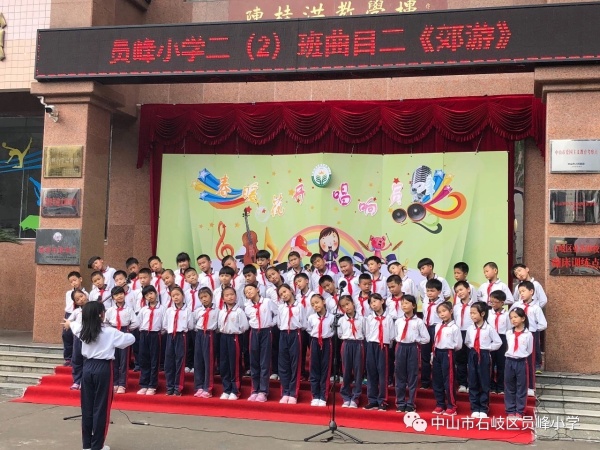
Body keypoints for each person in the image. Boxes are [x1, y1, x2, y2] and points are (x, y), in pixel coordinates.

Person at [63, 301, 135, 450]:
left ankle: (87, 445)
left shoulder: (82, 330)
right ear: (101, 315)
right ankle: (97, 446)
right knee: (101, 407)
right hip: (103, 368)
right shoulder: (110, 332)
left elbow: (74, 326)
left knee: (87, 407)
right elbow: (130, 339)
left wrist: (69, 323)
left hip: (87, 367)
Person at [465, 302, 502, 419]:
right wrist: (473, 348)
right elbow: (467, 341)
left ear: (482, 314)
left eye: (474, 313)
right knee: (472, 380)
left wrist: (487, 348)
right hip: (473, 354)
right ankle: (475, 407)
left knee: (484, 381)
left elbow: (498, 342)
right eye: (470, 313)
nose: (472, 315)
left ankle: (484, 407)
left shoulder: (489, 328)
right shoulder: (470, 328)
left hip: (484, 354)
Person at [394, 294, 429, 413]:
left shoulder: (418, 322)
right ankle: (400, 402)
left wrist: (416, 340)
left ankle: (411, 403)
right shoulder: (399, 321)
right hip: (401, 347)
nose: (404, 305)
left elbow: (426, 338)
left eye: (406, 303)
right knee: (400, 375)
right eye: (402, 303)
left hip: (413, 347)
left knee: (412, 376)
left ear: (413, 306)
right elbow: (395, 335)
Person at [511, 281, 547, 393]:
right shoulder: (516, 306)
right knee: (516, 359)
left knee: (530, 361)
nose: (521, 294)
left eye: (523, 291)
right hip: (517, 334)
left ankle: (530, 386)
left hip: (531, 334)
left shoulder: (536, 308)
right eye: (519, 292)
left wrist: (533, 330)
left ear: (531, 291)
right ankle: (516, 385)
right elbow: (510, 319)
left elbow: (543, 324)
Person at [244, 283, 278, 402]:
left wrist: (272, 323)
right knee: (254, 362)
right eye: (246, 292)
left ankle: (263, 391)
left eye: (250, 289)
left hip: (266, 332)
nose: (248, 292)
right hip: (254, 332)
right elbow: (247, 319)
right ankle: (255, 389)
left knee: (264, 361)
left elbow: (277, 313)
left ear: (257, 289)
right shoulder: (247, 306)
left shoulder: (267, 302)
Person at [104, 286, 138, 394]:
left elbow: (135, 322)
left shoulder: (129, 309)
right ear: (113, 297)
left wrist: (127, 330)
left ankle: (122, 384)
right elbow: (105, 322)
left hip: (124, 331)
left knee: (124, 360)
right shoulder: (110, 310)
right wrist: (110, 330)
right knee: (114, 358)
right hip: (113, 332)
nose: (119, 296)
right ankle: (115, 382)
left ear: (124, 294)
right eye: (116, 295)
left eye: (121, 294)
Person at [363, 293, 394, 411]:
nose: (373, 304)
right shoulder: (369, 318)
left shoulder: (389, 318)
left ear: (382, 301)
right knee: (371, 372)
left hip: (383, 346)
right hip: (372, 345)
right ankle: (372, 400)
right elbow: (367, 333)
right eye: (371, 303)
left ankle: (382, 400)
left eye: (375, 301)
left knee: (383, 373)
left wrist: (387, 345)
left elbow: (392, 335)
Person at [431, 301, 462, 416]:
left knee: (448, 380)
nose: (442, 314)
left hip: (448, 353)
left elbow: (458, 345)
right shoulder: (438, 326)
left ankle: (451, 405)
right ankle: (440, 404)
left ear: (451, 311)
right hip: (437, 352)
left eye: (444, 311)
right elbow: (435, 340)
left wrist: (449, 350)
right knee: (437, 379)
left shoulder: (454, 328)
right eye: (439, 312)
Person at [218, 286, 249, 400]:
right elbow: (219, 325)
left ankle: (235, 390)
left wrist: (236, 332)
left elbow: (244, 326)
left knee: (234, 363)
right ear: (223, 298)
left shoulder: (239, 311)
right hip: (224, 337)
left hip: (235, 337)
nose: (230, 297)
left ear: (236, 296)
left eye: (232, 294)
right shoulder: (222, 311)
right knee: (224, 363)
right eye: (227, 295)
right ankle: (226, 389)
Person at [162, 286, 194, 396]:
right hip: (170, 335)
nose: (175, 297)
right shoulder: (169, 311)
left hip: (181, 335)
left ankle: (178, 387)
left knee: (179, 361)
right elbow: (165, 324)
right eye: (173, 296)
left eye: (177, 295)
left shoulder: (187, 311)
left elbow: (190, 325)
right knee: (169, 362)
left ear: (183, 296)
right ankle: (169, 386)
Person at [277, 283, 305, 404]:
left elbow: (303, 322)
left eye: (285, 292)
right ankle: (285, 391)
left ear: (291, 290)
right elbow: (279, 322)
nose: (283, 295)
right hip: (283, 334)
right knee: (283, 364)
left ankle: (293, 393)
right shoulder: (280, 308)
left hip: (295, 334)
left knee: (295, 364)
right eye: (281, 294)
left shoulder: (300, 306)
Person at [504, 307, 533, 418]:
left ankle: (520, 411)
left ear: (523, 318)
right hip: (509, 361)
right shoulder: (508, 333)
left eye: (516, 317)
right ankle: (510, 410)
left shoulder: (528, 334)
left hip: (521, 362)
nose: (513, 320)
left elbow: (529, 350)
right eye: (511, 318)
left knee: (521, 386)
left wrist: (521, 355)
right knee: (509, 386)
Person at [137, 285, 166, 395]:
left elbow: (164, 324)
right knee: (144, 359)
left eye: (151, 293)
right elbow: (139, 322)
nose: (149, 296)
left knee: (154, 360)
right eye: (146, 295)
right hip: (144, 334)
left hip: (155, 334)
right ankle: (144, 384)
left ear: (156, 293)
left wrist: (159, 333)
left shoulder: (162, 309)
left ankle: (152, 385)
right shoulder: (143, 309)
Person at [306, 294, 334, 406]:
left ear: (324, 302)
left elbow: (334, 331)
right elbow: (309, 329)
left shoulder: (332, 317)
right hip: (315, 341)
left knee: (325, 368)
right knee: (314, 368)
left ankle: (323, 395)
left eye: (317, 302)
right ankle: (315, 395)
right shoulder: (311, 318)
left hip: (327, 342)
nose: (315, 306)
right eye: (312, 304)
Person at [338, 295, 365, 409]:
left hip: (358, 344)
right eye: (343, 306)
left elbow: (365, 332)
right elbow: (340, 334)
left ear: (353, 303)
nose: (346, 307)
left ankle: (355, 397)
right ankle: (346, 396)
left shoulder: (362, 319)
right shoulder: (341, 320)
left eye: (348, 304)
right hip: (347, 344)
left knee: (358, 371)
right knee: (346, 370)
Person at [193, 287, 219, 398]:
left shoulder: (217, 311)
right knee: (198, 361)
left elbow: (219, 325)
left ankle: (208, 388)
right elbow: (193, 322)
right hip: (199, 334)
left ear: (211, 296)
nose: (204, 299)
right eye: (201, 298)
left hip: (210, 334)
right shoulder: (198, 311)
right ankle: (199, 386)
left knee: (209, 361)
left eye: (206, 296)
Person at [421, 278, 445, 390]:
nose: (429, 293)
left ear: (439, 291)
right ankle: (425, 382)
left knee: (436, 356)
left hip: (437, 328)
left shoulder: (442, 304)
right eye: (428, 290)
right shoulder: (425, 302)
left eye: (432, 291)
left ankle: (437, 382)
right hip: (426, 328)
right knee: (425, 355)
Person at [63, 288, 89, 390]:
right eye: (77, 299)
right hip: (78, 338)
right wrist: (67, 324)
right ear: (75, 302)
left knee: (87, 359)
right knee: (77, 359)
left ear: (85, 295)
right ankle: (77, 381)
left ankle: (85, 381)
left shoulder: (93, 307)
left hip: (89, 338)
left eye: (81, 296)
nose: (81, 299)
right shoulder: (77, 311)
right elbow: (68, 321)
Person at [453, 280, 474, 393]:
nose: (459, 293)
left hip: (471, 333)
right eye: (457, 291)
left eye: (461, 289)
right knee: (460, 359)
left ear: (468, 289)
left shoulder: (475, 305)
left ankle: (472, 383)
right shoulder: (456, 307)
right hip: (459, 333)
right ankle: (462, 383)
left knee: (472, 360)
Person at [488, 290, 509, 394]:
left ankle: (501, 387)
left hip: (502, 337)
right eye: (491, 302)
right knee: (491, 363)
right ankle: (491, 386)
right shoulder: (488, 314)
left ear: (502, 302)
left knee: (501, 363)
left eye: (495, 302)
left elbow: (509, 329)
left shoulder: (507, 315)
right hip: (491, 338)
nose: (493, 304)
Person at [62, 271, 86, 367]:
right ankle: (68, 358)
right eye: (71, 282)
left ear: (80, 279)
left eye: (75, 280)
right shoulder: (68, 293)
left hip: (80, 314)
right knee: (66, 335)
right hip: (69, 314)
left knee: (77, 336)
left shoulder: (85, 293)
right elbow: (68, 305)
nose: (73, 283)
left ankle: (76, 358)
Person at [294, 272, 315, 380]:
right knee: (300, 352)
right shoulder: (297, 297)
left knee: (313, 352)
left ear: (307, 281)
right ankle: (301, 373)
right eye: (296, 283)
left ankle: (313, 373)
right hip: (301, 328)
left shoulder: (313, 295)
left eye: (300, 281)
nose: (298, 284)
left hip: (312, 327)